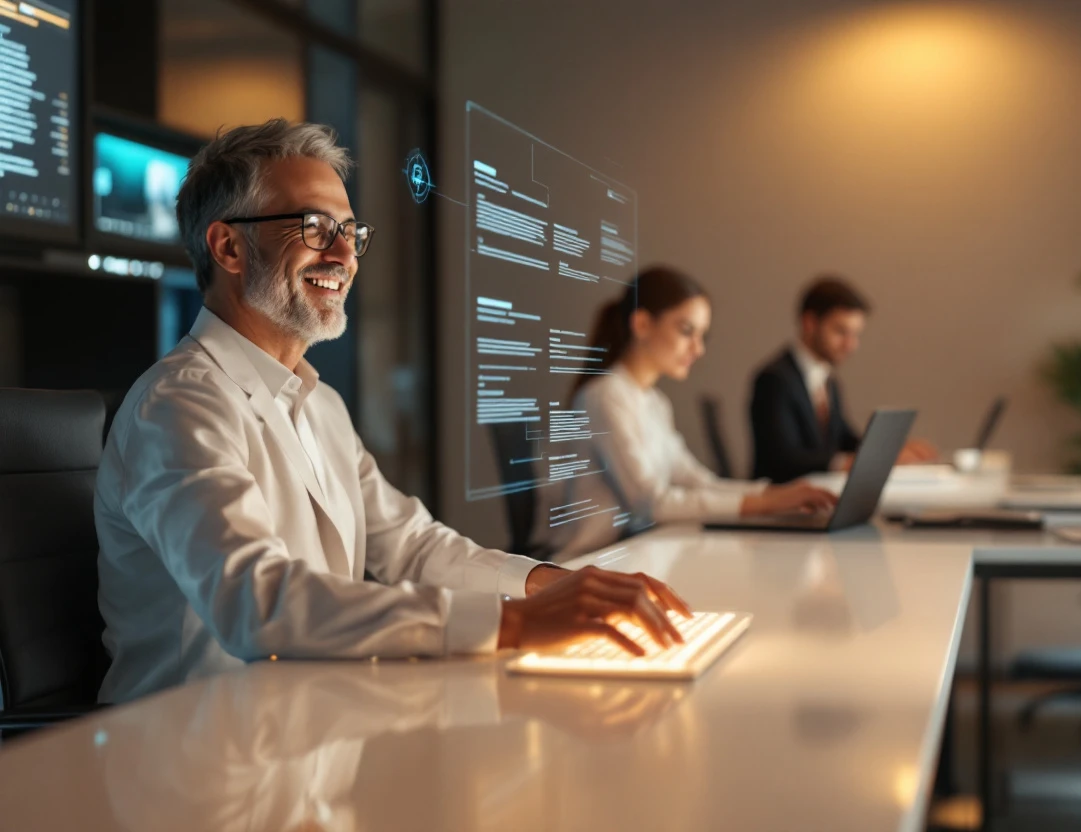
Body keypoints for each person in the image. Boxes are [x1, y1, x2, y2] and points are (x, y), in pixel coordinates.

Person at [94, 119, 688, 704]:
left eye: (351, 230)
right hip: (188, 750)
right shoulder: (176, 405)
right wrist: (513, 625)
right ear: (228, 246)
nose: (346, 253)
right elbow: (258, 603)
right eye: (315, 227)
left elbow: (412, 546)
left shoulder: (319, 404)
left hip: (304, 724)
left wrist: (554, 587)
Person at [548, 266, 837, 558]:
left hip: (634, 555)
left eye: (702, 336)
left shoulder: (655, 402)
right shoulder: (605, 396)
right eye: (687, 331)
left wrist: (773, 495)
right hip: (589, 564)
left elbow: (698, 481)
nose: (698, 349)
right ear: (643, 324)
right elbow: (651, 502)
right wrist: (766, 503)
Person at [749, 276, 935, 482]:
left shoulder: (828, 380)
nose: (850, 345)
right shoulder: (775, 379)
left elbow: (844, 438)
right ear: (810, 323)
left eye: (855, 334)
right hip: (780, 501)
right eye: (840, 332)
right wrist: (849, 462)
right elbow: (783, 459)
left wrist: (890, 449)